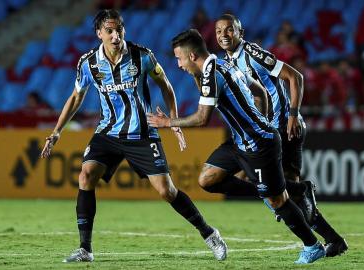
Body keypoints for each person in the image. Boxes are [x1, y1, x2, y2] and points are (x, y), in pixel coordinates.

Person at [40, 10, 227, 263]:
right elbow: (76, 96)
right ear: (99, 34)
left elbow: (166, 86)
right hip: (108, 132)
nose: (116, 35)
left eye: (119, 29)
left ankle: (209, 233)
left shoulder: (143, 56)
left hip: (141, 133)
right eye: (110, 31)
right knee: (85, 175)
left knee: (166, 191)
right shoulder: (89, 63)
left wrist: (173, 121)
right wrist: (56, 131)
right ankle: (85, 248)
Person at [147, 29, 326, 264]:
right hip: (240, 143)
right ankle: (286, 189)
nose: (178, 65)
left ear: (192, 56)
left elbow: (202, 118)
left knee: (277, 201)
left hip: (260, 144)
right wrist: (257, 119)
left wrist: (167, 122)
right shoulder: (223, 65)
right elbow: (259, 92)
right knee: (207, 180)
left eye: (179, 59)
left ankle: (312, 246)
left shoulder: (213, 73)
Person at [210, 14, 348, 257]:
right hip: (266, 133)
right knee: (283, 193)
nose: (223, 35)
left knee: (278, 193)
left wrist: (292, 116)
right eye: (219, 31)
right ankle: (332, 238)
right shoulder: (226, 63)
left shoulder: (252, 53)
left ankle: (323, 232)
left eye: (229, 30)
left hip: (283, 128)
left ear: (240, 32)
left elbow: (295, 77)